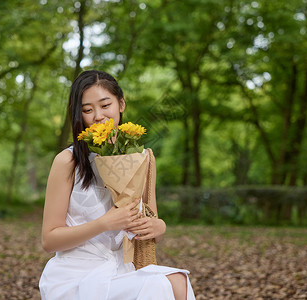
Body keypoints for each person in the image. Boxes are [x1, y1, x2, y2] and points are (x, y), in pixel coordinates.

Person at [39, 70, 196, 300]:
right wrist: (104, 223)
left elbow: (151, 221)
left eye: (105, 105)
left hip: (121, 267)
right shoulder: (68, 161)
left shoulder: (140, 157)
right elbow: (49, 240)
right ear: (78, 115)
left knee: (178, 281)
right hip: (76, 274)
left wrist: (159, 227)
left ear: (121, 104)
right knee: (161, 286)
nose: (98, 116)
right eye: (87, 110)